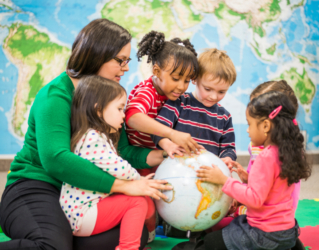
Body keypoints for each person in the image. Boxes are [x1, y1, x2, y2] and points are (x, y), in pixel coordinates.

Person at [0, 19, 171, 250]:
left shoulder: (108, 99)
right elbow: (55, 159)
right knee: (51, 246)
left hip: (79, 195)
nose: (126, 67)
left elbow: (122, 152)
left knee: (134, 234)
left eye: (127, 60)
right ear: (96, 55)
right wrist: (121, 185)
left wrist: (166, 155)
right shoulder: (55, 96)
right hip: (35, 187)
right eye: (120, 60)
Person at [196, 91, 312, 250]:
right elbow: (272, 191)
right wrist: (249, 179)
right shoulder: (285, 152)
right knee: (235, 223)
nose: (247, 130)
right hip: (287, 233)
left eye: (249, 124)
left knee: (208, 242)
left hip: (265, 235)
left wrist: (224, 180)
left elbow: (255, 199)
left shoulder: (265, 157)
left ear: (265, 125)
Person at [59, 75, 157, 249]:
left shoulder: (95, 136)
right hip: (83, 214)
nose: (123, 115)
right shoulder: (92, 138)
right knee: (137, 202)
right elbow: (119, 168)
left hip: (85, 212)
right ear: (98, 110)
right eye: (119, 109)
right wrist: (139, 180)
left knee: (141, 202)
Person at [125, 30, 202, 176]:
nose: (181, 87)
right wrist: (172, 134)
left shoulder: (174, 95)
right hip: (139, 162)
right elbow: (132, 117)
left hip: (162, 156)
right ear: (157, 71)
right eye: (175, 78)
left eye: (186, 81)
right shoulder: (147, 92)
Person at [151, 48, 237, 166]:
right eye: (208, 89)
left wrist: (227, 158)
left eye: (221, 92)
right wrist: (169, 145)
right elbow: (157, 130)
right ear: (194, 79)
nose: (213, 96)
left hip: (208, 174)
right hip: (177, 170)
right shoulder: (179, 103)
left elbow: (228, 148)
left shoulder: (225, 117)